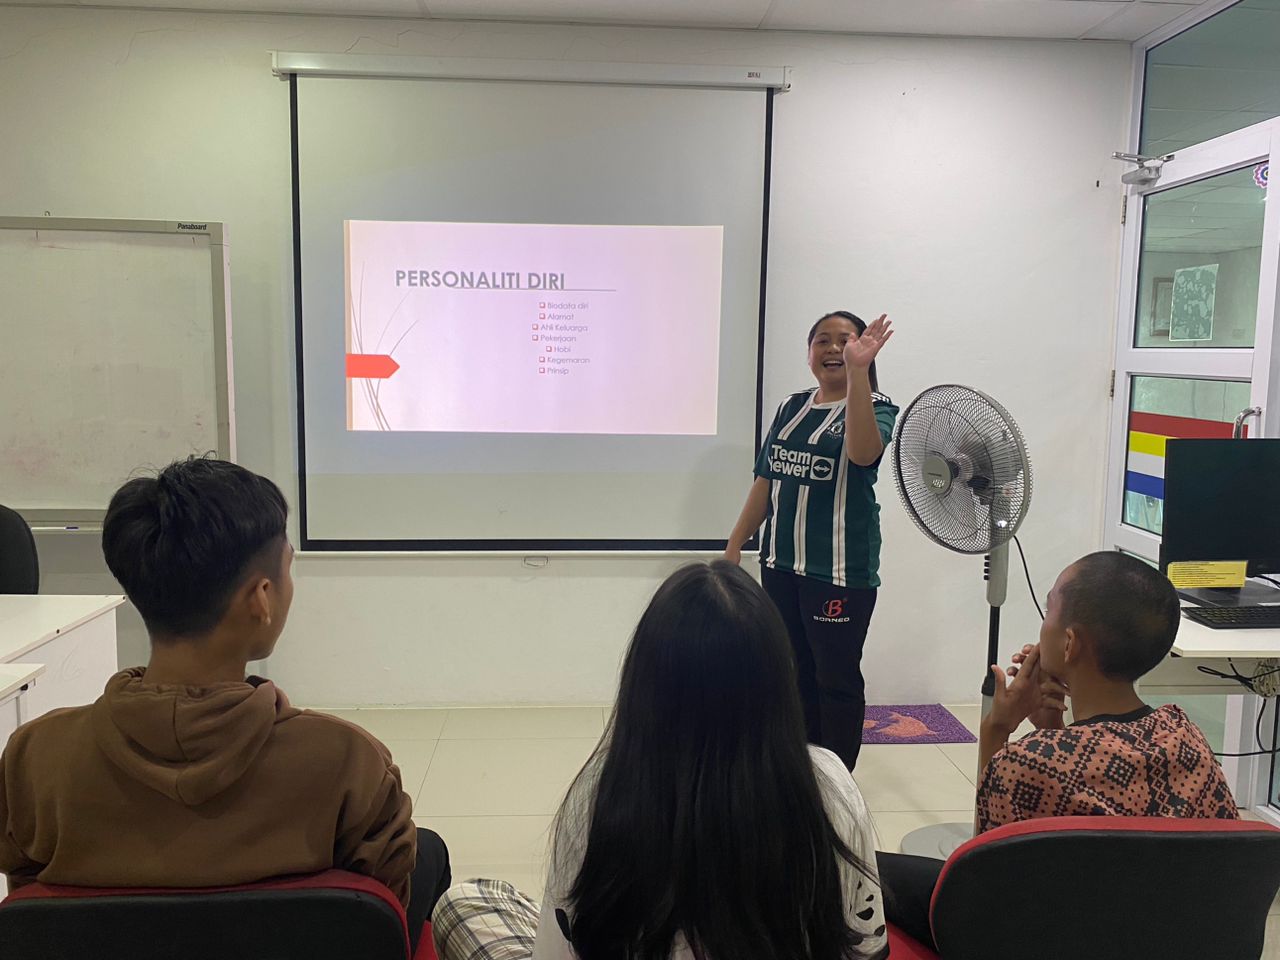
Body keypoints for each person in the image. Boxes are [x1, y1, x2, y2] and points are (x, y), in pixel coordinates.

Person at [0, 457, 450, 949]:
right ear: (262, 598)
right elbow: (379, 922)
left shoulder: (35, 756)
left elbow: (31, 909)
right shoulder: (347, 761)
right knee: (428, 851)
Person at [431, 561, 889, 960]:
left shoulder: (602, 795)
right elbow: (867, 946)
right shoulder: (832, 784)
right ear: (779, 683)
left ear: (644, 686)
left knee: (466, 902)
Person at [878, 551, 1239, 949]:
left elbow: (980, 885)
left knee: (861, 866)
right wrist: (1054, 731)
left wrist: (997, 730)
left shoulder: (1025, 763)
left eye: (1049, 609)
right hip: (1161, 938)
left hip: (1042, 940)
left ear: (1069, 643)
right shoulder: (1186, 736)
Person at [725, 311, 898, 770]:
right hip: (780, 565)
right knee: (792, 672)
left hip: (838, 573)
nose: (833, 348)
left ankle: (836, 781)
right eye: (822, 340)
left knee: (834, 679)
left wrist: (858, 373)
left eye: (845, 340)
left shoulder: (878, 407)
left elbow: (862, 453)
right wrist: (735, 545)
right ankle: (800, 771)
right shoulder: (790, 407)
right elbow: (767, 479)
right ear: (809, 353)